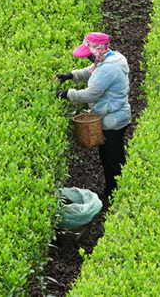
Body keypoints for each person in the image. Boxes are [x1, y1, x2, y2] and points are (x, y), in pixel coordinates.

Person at [55, 32, 131, 201]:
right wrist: (71, 75)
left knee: (114, 161)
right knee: (108, 157)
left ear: (97, 50)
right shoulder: (108, 58)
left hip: (114, 120)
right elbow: (91, 71)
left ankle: (117, 196)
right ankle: (112, 191)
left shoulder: (108, 68)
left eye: (88, 54)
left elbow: (90, 94)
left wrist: (68, 94)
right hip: (113, 115)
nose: (87, 57)